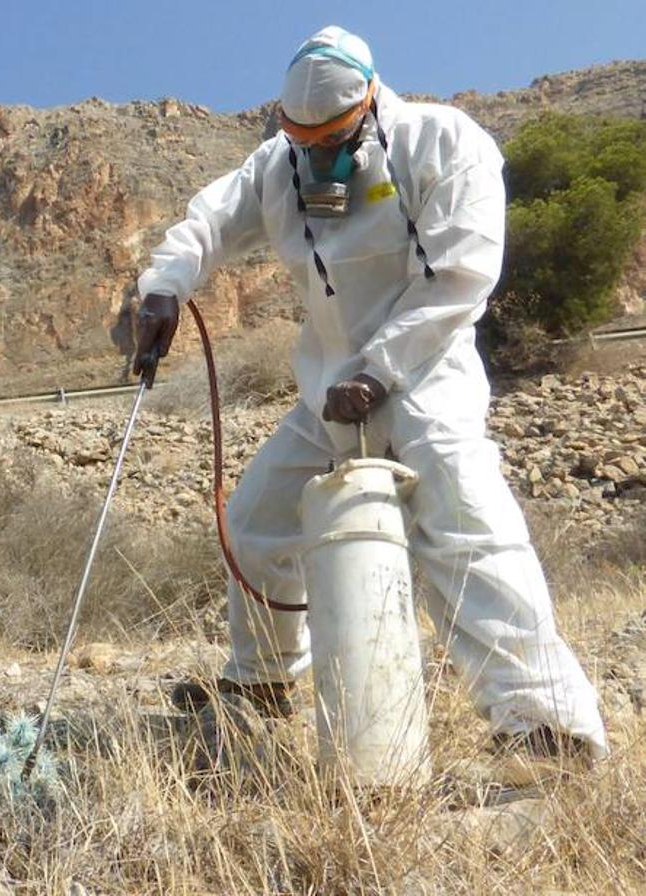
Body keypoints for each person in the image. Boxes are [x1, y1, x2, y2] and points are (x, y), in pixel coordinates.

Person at [133, 26, 607, 760]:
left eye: (332, 137)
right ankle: (263, 682)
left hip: (424, 378)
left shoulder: (443, 142)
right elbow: (204, 226)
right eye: (302, 139)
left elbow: (460, 275)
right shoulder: (277, 166)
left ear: (370, 103)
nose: (317, 153)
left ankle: (544, 723)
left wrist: (378, 370)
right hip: (326, 390)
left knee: (467, 530)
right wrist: (162, 289)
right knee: (257, 523)